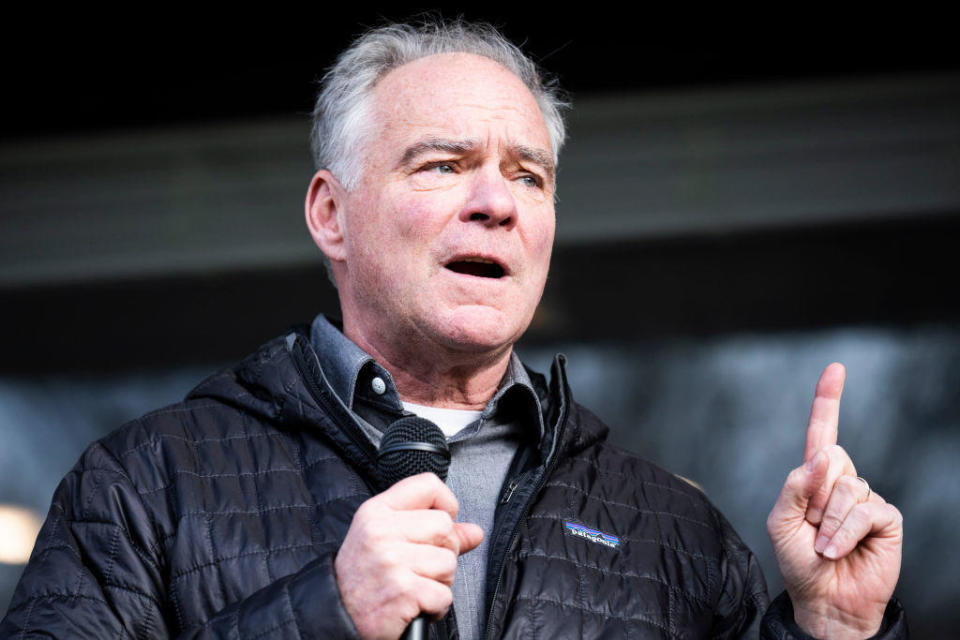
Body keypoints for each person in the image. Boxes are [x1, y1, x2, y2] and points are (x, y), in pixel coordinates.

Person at [1, 20, 905, 640]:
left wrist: (832, 627)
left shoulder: (675, 531)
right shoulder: (147, 484)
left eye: (529, 176)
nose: (495, 205)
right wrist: (326, 612)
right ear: (332, 215)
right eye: (445, 164)